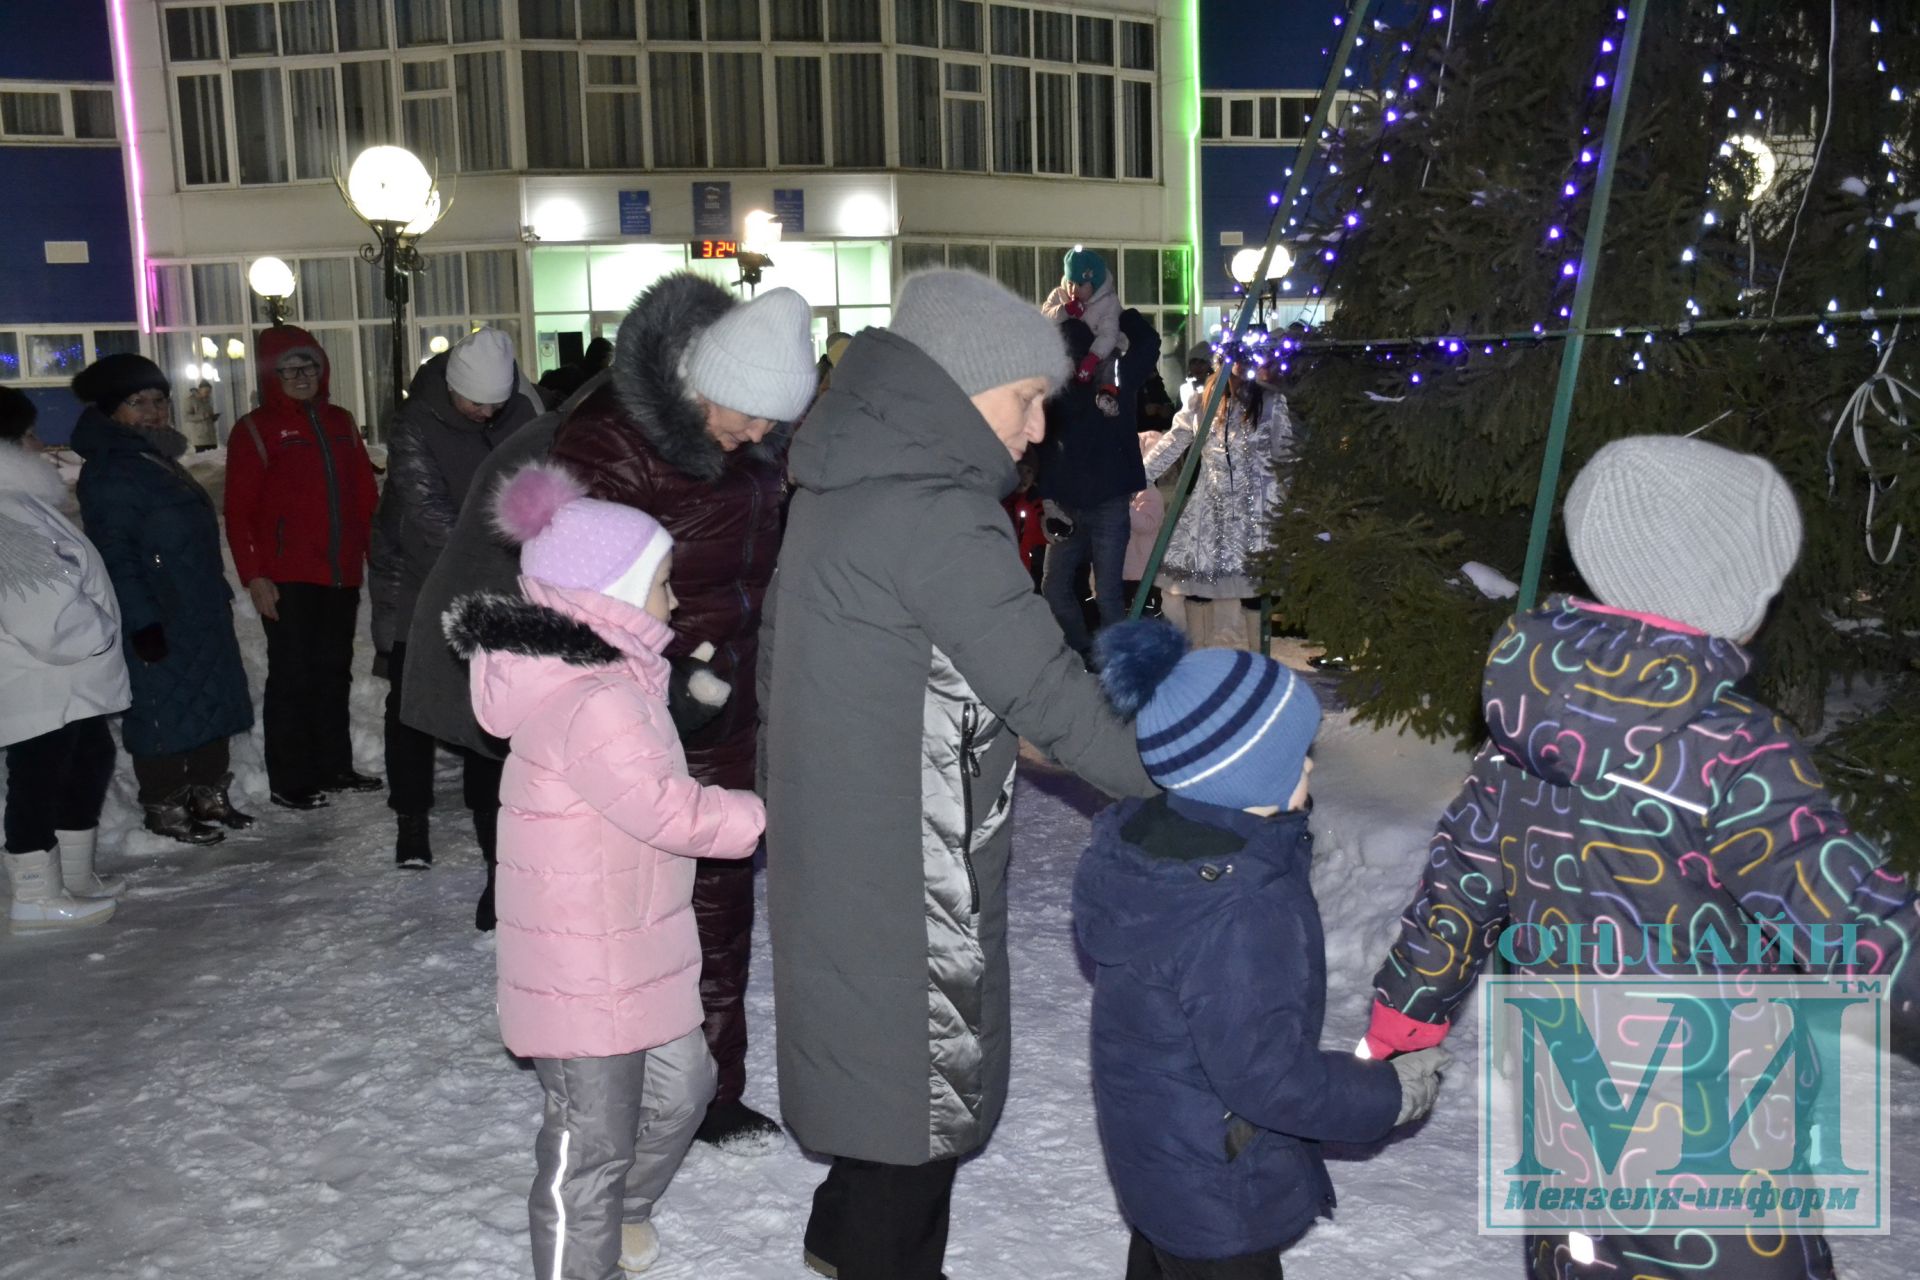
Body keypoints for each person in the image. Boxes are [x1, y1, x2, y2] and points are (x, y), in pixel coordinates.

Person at [1362, 436, 1920, 1280]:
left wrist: (1403, 1022)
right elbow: (1849, 916)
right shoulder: (1733, 752)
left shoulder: (1519, 738)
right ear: (1720, 591)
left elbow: (1459, 891)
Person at [759, 268, 1158, 1280]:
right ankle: (868, 1248)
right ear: (968, 383)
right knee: (914, 1114)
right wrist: (1193, 776)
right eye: (1029, 402)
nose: (1036, 434)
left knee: (875, 1079)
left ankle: (841, 1228)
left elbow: (896, 663)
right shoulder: (938, 511)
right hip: (906, 867)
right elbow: (1055, 701)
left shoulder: (844, 478)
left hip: (847, 842)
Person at [406, 273, 814, 1151]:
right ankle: (639, 1090)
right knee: (643, 900)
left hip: (725, 682)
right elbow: (575, 593)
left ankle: (707, 1089)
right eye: (745, 414)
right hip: (636, 695)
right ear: (697, 383)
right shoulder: (609, 445)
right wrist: (663, 687)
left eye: (773, 423)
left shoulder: (751, 442)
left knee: (719, 891)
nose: (759, 436)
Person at [446, 460, 765, 1280]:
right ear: (606, 598)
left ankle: (619, 1213)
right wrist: (772, 813)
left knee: (683, 1091)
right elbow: (666, 810)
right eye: (659, 585)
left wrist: (682, 705)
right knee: (589, 1141)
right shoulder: (599, 700)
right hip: (584, 965)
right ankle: (580, 1256)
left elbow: (629, 772)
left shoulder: (611, 679)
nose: (670, 603)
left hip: (635, 945)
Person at [1075, 620, 1449, 1279]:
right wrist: (1386, 1094)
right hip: (1220, 1192)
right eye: (1295, 752)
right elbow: (1268, 1078)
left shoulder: (1154, 855)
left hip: (1163, 1159)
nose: (1309, 765)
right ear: (1245, 776)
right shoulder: (1240, 905)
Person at [369, 327, 543, 870]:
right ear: (452, 388)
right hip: (419, 584)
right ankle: (411, 820)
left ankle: (493, 823)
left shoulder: (522, 415)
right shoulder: (416, 425)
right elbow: (427, 515)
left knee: (489, 705)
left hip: (499, 588)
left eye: (496, 405)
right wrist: (503, 550)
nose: (486, 414)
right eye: (475, 403)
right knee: (412, 706)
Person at [69, 354, 253, 845]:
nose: (153, 412)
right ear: (112, 411)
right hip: (158, 609)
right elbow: (116, 553)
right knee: (162, 709)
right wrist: (142, 620)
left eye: (158, 401)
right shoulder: (111, 470)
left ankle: (207, 790)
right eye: (137, 403)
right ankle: (165, 802)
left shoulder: (155, 458)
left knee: (209, 697)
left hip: (195, 603)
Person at [225, 326, 380, 811]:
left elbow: (363, 495)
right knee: (292, 675)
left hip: (339, 573)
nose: (300, 376)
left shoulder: (340, 421)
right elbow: (239, 509)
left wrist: (376, 554)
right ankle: (290, 778)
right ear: (272, 375)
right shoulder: (254, 429)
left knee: (334, 672)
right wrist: (254, 574)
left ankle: (333, 765)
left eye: (308, 366)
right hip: (288, 576)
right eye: (289, 368)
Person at [1, 388, 127, 930]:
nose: (39, 444)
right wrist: (97, 633)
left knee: (86, 759)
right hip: (44, 677)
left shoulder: (17, 501)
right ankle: (35, 895)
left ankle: (71, 877)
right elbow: (37, 607)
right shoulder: (5, 510)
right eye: (28, 434)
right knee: (39, 779)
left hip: (62, 680)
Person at [1143, 346, 1294, 651]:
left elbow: (1285, 454)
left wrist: (1291, 500)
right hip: (1210, 507)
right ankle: (1202, 658)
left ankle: (1256, 659)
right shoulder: (1201, 404)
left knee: (1254, 587)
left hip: (1257, 510)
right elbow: (1174, 442)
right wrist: (1140, 476)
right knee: (1195, 583)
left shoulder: (1270, 403)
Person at [1034, 309, 1162, 661]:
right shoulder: (1107, 375)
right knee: (1096, 593)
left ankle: (1096, 655)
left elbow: (1042, 448)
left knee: (1066, 589)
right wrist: (1118, 314)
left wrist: (1048, 499)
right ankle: (1100, 657)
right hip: (1088, 503)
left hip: (1083, 503)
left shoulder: (1084, 381)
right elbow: (1149, 343)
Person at [1042, 248, 1123, 416]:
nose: (1073, 290)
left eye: (1080, 285)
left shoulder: (1107, 302)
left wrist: (1093, 358)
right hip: (1070, 351)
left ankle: (1106, 394)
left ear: (1094, 284)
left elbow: (1109, 334)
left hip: (1100, 349)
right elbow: (1045, 318)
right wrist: (1065, 310)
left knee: (1110, 363)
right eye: (1070, 283)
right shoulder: (1060, 295)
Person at [182, 379, 218, 450]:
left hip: (211, 437)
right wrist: (203, 416)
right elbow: (187, 417)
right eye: (206, 392)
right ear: (200, 390)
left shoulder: (207, 400)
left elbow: (208, 415)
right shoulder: (191, 400)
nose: (208, 394)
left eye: (209, 392)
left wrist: (213, 417)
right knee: (203, 459)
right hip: (200, 439)